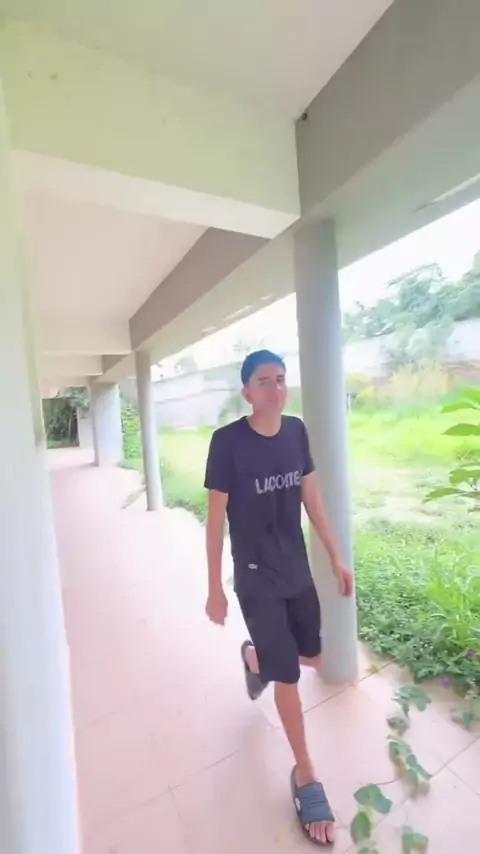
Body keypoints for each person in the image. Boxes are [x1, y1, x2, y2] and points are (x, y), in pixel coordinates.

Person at [204, 350, 353, 846]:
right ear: (247, 392)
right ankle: (306, 775)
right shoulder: (227, 443)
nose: (276, 388)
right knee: (288, 674)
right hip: (255, 577)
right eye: (264, 381)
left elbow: (312, 499)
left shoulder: (296, 432)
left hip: (296, 570)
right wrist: (214, 587)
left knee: (312, 656)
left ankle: (254, 658)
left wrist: (335, 556)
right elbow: (215, 520)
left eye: (282, 379)